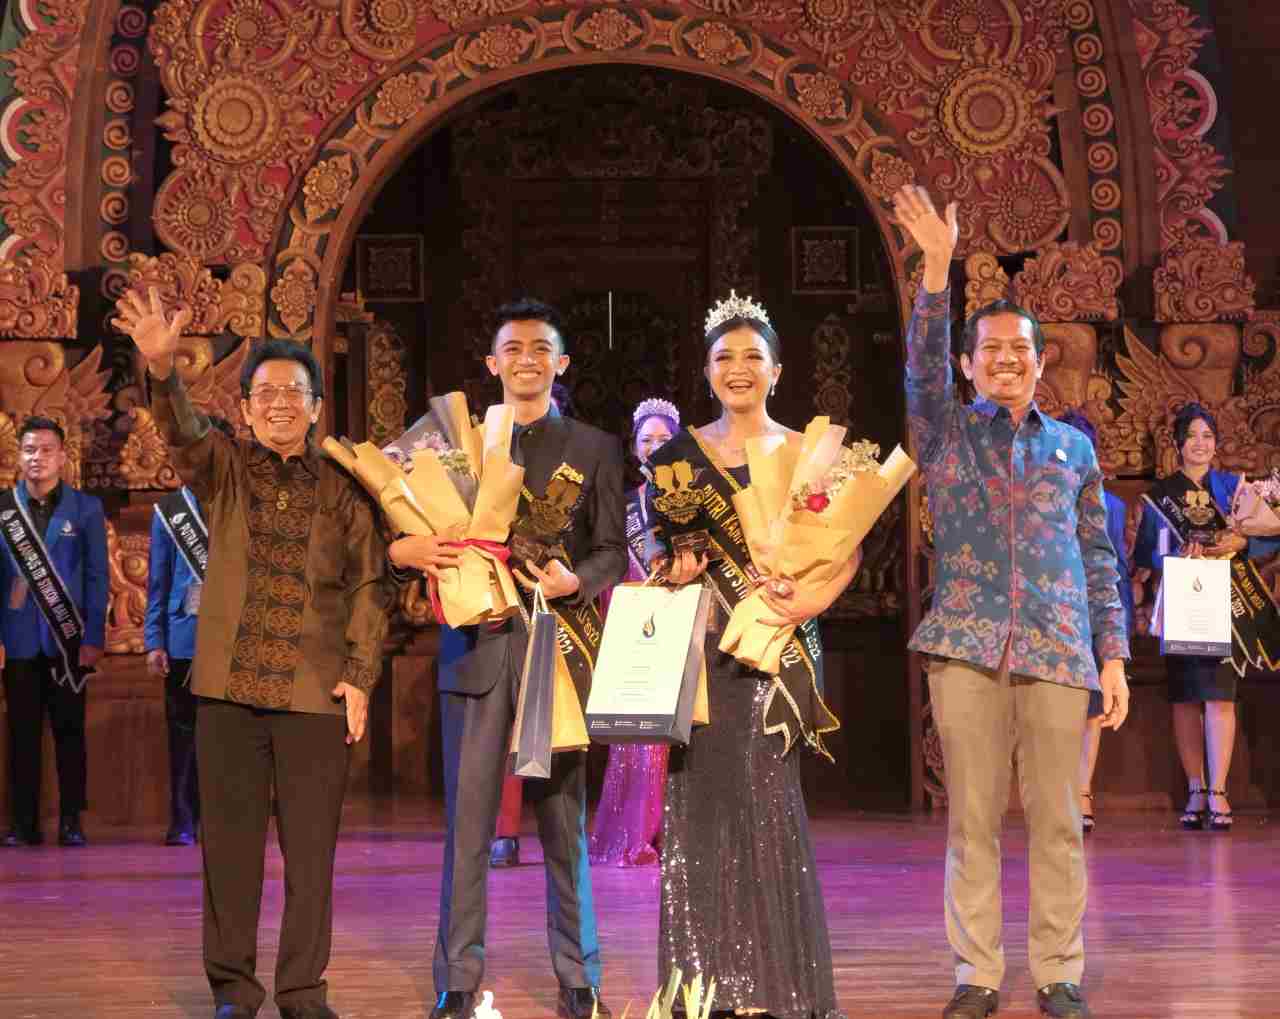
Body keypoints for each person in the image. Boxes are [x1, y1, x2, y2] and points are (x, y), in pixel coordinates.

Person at [113, 287, 393, 1019]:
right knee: (229, 856)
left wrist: (360, 674)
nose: (278, 404)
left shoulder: (346, 490)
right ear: (243, 409)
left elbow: (371, 584)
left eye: (293, 392)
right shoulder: (225, 469)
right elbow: (181, 432)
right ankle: (234, 991)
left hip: (314, 696)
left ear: (317, 406)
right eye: (263, 393)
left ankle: (302, 992)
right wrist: (162, 368)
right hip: (227, 696)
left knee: (311, 858)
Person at [894, 184, 1129, 1019]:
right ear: (968, 365)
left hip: (1060, 648)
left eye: (1019, 349)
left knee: (1060, 820)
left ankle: (1059, 971)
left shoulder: (1073, 449)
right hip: (967, 647)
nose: (1005, 360)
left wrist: (1112, 654)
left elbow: (1098, 555)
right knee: (973, 820)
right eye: (989, 350)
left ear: (1039, 360)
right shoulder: (947, 432)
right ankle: (978, 973)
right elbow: (919, 373)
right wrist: (936, 269)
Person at [387, 298, 626, 1019]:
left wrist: (576, 580)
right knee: (468, 826)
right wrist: (410, 551)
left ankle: (579, 977)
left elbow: (613, 549)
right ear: (492, 363)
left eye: (541, 347)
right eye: (513, 348)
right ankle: (457, 980)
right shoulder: (456, 447)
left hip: (557, 649)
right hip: (476, 651)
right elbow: (413, 535)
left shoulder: (594, 447)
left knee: (563, 823)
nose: (527, 359)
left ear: (562, 362)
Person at [648, 294, 861, 1019]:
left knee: (767, 802)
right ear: (707, 371)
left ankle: (779, 988)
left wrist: (805, 603)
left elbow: (844, 552)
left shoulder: (808, 453)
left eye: (752, 357)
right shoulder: (676, 458)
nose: (738, 369)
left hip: (779, 647)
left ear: (777, 369)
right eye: (723, 357)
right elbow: (661, 555)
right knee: (699, 807)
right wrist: (676, 569)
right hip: (704, 651)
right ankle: (705, 989)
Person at [1132, 402, 1277, 832]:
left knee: (1219, 695)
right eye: (1192, 436)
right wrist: (1174, 553)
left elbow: (1269, 539)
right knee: (1185, 697)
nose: (1200, 443)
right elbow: (1146, 552)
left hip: (1226, 604)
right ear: (1179, 444)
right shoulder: (1160, 495)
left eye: (1208, 436)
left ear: (1216, 443)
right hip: (1183, 599)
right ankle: (1195, 788)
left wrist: (1240, 543)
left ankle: (1219, 790)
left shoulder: (1232, 488)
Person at [0, 416, 108, 848]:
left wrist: (94, 638)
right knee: (21, 736)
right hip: (19, 641)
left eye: (46, 450)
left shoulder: (86, 509)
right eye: (29, 449)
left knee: (70, 733)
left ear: (63, 457)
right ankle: (23, 823)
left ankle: (71, 821)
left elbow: (98, 577)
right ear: (18, 456)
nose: (37, 458)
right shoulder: (4, 510)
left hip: (69, 640)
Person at [589, 396, 679, 867]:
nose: (655, 446)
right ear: (634, 446)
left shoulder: (691, 498)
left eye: (664, 439)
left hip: (682, 626)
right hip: (636, 629)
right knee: (638, 738)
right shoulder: (625, 505)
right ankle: (634, 833)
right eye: (647, 439)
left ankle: (674, 834)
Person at [1057, 411, 1135, 835]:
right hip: (1053, 612)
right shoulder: (1043, 494)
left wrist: (1117, 628)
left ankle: (1083, 791)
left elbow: (1113, 563)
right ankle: (1060, 794)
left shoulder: (1113, 504)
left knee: (1092, 707)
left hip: (1095, 612)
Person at [145, 483, 207, 846]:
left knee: (229, 737)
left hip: (232, 640)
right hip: (183, 637)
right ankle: (182, 819)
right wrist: (155, 640)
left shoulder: (241, 498)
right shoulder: (169, 509)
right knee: (183, 737)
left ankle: (222, 820)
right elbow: (158, 580)